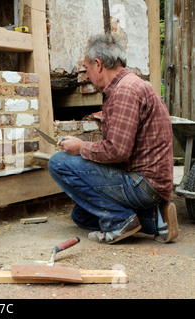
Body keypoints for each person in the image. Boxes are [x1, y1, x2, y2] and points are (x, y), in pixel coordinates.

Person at [48, 34, 179, 244]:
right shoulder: (130, 85)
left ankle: (119, 222)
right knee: (80, 215)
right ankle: (156, 221)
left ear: (98, 64)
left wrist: (81, 147)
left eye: (86, 69)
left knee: (57, 162)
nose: (86, 76)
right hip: (149, 183)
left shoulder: (124, 91)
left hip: (143, 185)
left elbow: (117, 151)